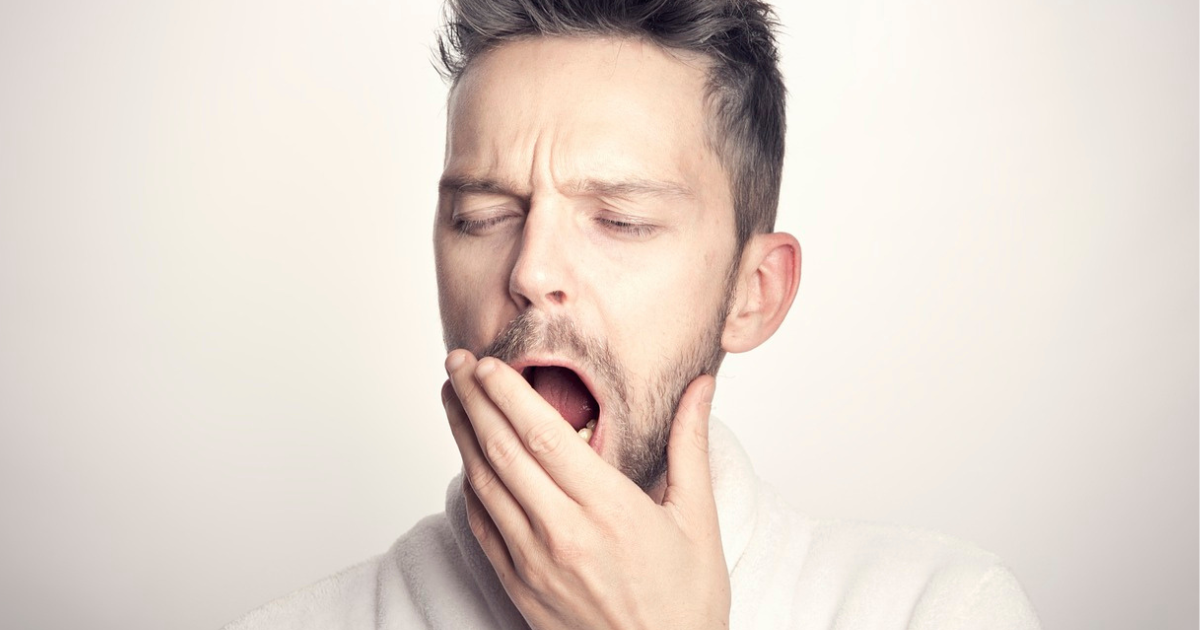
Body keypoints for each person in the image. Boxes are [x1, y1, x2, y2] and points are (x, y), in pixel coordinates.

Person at [226, 0, 1041, 628]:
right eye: (482, 216)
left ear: (751, 293)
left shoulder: (939, 610)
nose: (533, 271)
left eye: (619, 220)